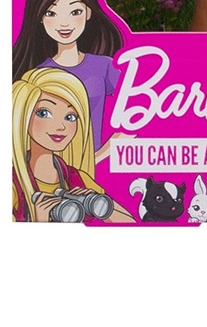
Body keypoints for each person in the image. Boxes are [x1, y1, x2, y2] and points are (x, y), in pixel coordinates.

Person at [12, 0, 125, 162]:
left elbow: (135, 105)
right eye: (51, 13)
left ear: (88, 12)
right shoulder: (37, 77)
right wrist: (106, 151)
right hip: (55, 170)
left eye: (75, 12)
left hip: (96, 169)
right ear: (40, 17)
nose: (64, 23)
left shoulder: (104, 67)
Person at [11, 67, 134, 223]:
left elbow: (131, 224)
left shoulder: (77, 178)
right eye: (44, 113)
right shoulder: (14, 183)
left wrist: (95, 204)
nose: (61, 126)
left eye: (70, 117)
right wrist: (39, 221)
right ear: (22, 116)